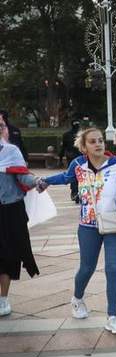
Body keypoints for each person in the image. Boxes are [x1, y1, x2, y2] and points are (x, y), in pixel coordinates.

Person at [41, 128, 116, 334]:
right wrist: (44, 181)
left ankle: (113, 317)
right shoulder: (77, 164)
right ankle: (77, 298)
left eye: (100, 140)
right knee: (86, 268)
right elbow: (66, 177)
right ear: (84, 147)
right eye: (92, 141)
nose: (98, 144)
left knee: (113, 268)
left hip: (114, 224)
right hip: (88, 226)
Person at [0, 119, 40, 316]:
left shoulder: (11, 151)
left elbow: (23, 176)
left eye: (1, 126)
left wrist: (37, 181)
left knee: (7, 255)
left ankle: (3, 299)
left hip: (10, 210)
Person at [60, 120, 82, 203]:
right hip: (76, 157)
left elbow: (63, 147)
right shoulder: (82, 135)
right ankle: (76, 192)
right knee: (79, 175)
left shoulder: (67, 135)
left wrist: (60, 158)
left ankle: (75, 192)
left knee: (73, 175)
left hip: (72, 157)